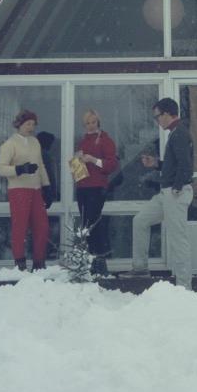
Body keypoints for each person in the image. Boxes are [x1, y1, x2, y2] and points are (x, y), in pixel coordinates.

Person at [130, 98, 194, 290]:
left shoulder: (180, 134)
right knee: (140, 220)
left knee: (178, 239)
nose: (157, 120)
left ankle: (185, 288)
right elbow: (175, 164)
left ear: (167, 114)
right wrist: (156, 164)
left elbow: (186, 165)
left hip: (176, 192)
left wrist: (177, 187)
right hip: (167, 193)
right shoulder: (175, 134)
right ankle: (140, 267)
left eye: (157, 116)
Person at [0, 109, 52, 271]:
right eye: (28, 124)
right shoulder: (10, 144)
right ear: (19, 124)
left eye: (33, 124)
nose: (31, 127)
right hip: (18, 189)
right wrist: (20, 169)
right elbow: (1, 169)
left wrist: (47, 187)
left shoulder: (35, 142)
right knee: (20, 226)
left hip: (36, 190)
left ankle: (39, 262)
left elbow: (41, 166)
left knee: (42, 226)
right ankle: (20, 263)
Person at [73, 109, 120, 275]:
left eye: (93, 122)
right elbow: (78, 171)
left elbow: (111, 165)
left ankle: (100, 263)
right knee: (86, 225)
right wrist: (75, 163)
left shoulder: (105, 140)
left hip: (97, 187)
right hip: (82, 187)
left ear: (98, 122)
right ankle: (91, 263)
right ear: (84, 125)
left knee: (94, 224)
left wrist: (92, 159)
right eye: (87, 123)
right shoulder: (83, 141)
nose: (91, 125)